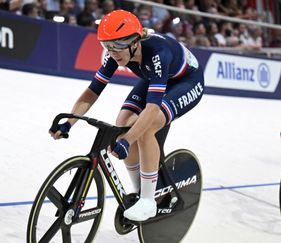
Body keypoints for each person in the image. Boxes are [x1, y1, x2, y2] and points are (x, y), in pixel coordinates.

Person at [49, 10, 204, 221]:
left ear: (135, 42)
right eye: (107, 46)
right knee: (123, 123)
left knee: (145, 127)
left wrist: (128, 140)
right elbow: (92, 92)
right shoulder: (116, 53)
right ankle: (142, 189)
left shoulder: (158, 52)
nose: (113, 52)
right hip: (154, 76)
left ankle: (148, 202)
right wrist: (70, 122)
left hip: (186, 81)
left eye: (118, 46)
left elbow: (150, 111)